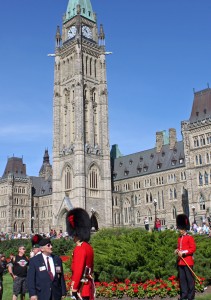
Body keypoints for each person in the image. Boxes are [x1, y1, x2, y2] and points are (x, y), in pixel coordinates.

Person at [66, 208, 95, 300]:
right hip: (88, 286)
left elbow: (78, 271)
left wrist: (73, 289)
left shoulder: (79, 248)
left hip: (81, 288)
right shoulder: (88, 247)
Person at [175, 214, 196, 300]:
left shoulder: (189, 237)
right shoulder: (179, 238)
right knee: (182, 280)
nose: (179, 230)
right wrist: (177, 251)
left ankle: (191, 296)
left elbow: (193, 248)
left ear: (184, 228)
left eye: (180, 229)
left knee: (189, 280)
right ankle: (184, 295)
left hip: (187, 261)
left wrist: (183, 253)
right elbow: (179, 248)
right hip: (181, 262)